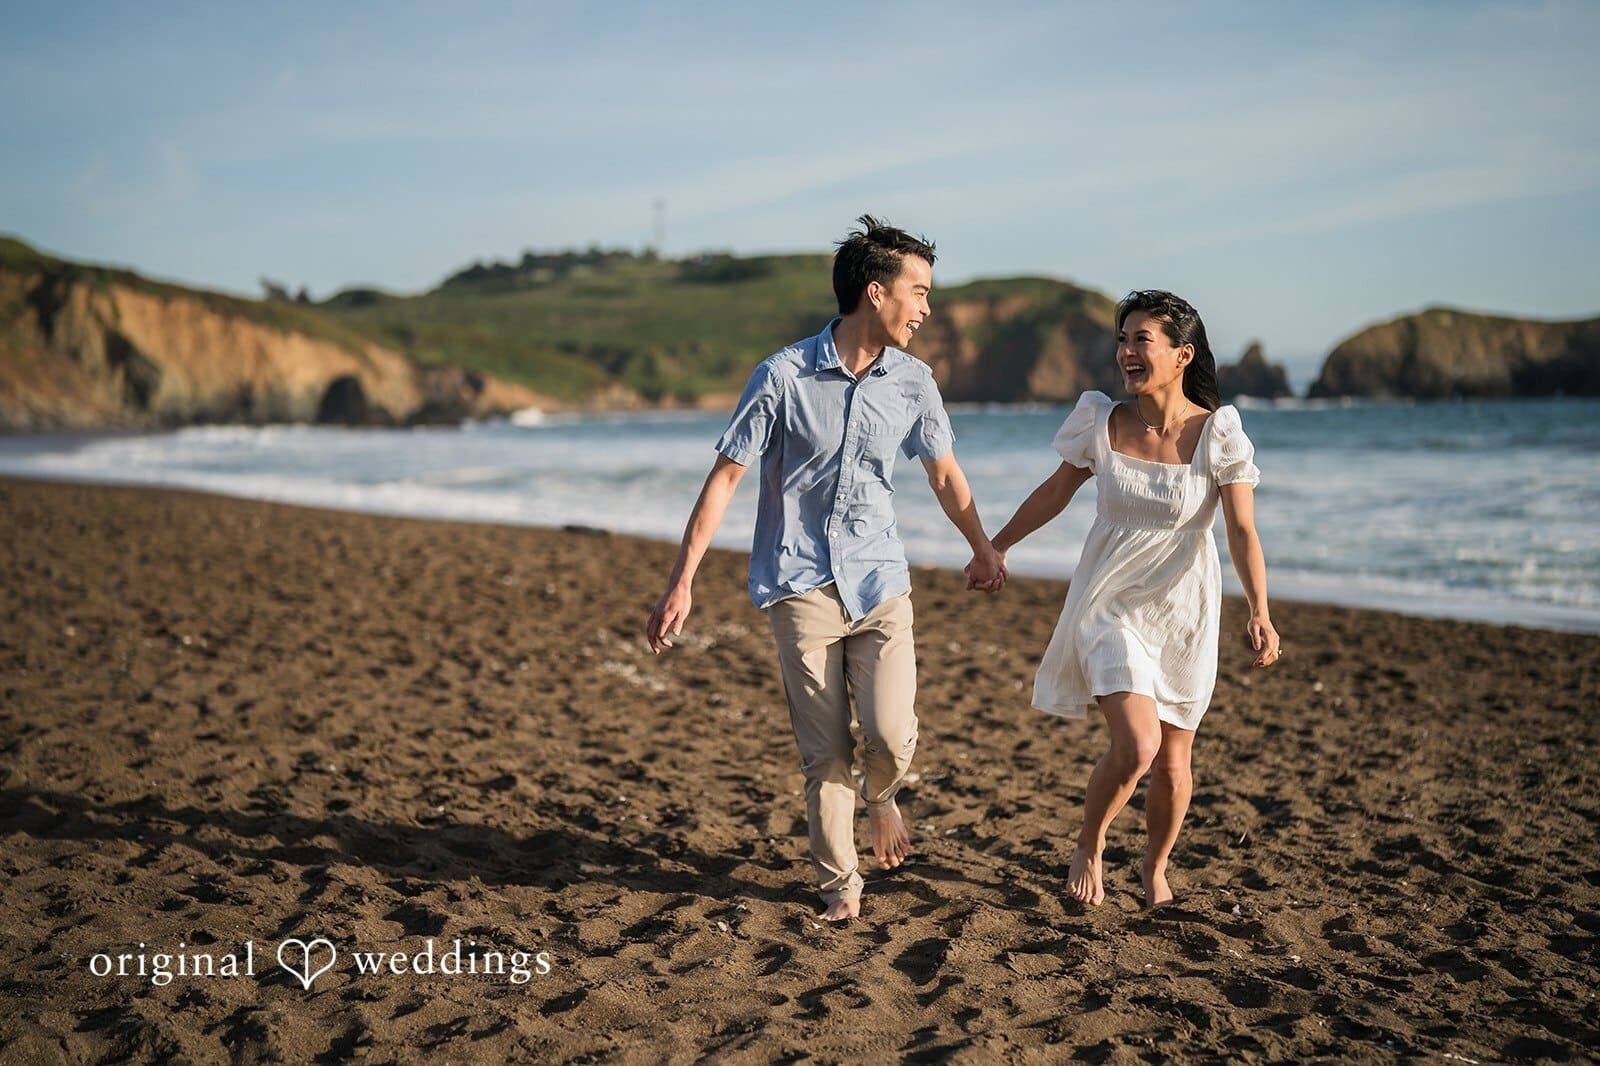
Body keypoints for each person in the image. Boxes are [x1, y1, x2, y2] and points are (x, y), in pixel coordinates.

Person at [646, 215, 1006, 921]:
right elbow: (724, 479)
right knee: (826, 752)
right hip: (798, 582)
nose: (928, 308)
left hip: (879, 581)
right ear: (876, 293)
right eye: (919, 290)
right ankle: (840, 887)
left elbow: (944, 475)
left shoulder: (913, 382)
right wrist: (681, 582)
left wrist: (983, 545)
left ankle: (883, 798)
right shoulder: (781, 376)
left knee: (893, 734)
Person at [976, 289, 1280, 908]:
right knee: (1138, 745)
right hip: (1108, 603)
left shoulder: (1218, 433)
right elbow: (1055, 492)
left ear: (1181, 355)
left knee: (1173, 761)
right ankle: (1090, 841)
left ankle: (1154, 865)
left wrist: (1260, 611)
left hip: (1184, 611)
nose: (1126, 351)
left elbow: (1242, 530)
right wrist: (995, 545)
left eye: (1141, 339)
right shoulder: (1102, 421)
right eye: (1123, 339)